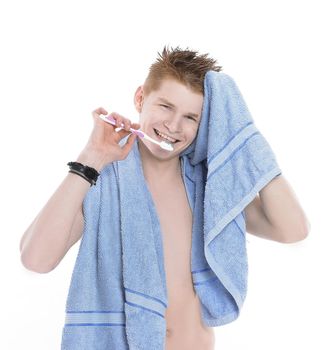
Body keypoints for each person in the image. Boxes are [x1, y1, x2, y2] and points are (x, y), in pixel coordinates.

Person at [19, 45, 310, 350]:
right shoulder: (100, 181)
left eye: (190, 117)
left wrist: (244, 135)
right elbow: (35, 259)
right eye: (165, 106)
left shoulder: (210, 190)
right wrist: (90, 159)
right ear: (140, 98)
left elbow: (293, 229)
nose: (173, 126)